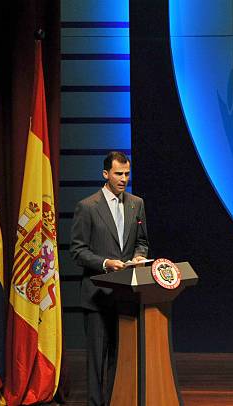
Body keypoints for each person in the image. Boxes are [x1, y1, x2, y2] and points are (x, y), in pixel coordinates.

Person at [70, 151, 149, 406]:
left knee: (120, 355)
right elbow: (77, 251)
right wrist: (105, 263)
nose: (124, 178)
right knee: (96, 360)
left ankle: (115, 400)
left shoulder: (137, 203)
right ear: (105, 174)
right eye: (118, 174)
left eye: (127, 174)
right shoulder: (87, 206)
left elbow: (142, 242)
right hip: (96, 295)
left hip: (125, 295)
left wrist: (138, 257)